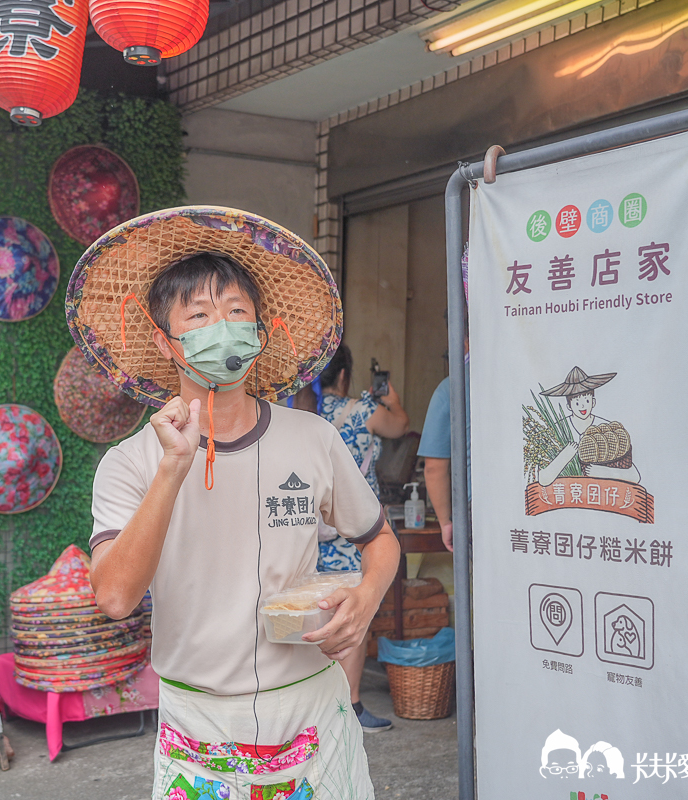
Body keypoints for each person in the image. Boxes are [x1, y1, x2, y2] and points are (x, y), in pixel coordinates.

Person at [75, 208, 400, 800]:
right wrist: (174, 467)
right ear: (163, 340)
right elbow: (116, 596)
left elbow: (379, 539)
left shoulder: (313, 438)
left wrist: (366, 598)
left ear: (262, 331)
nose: (220, 328)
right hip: (198, 725)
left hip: (311, 710)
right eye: (198, 316)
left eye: (235, 313)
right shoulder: (130, 464)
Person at [309, 342, 408, 732]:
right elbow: (400, 426)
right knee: (353, 613)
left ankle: (318, 705)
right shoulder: (365, 411)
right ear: (346, 376)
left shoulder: (305, 416)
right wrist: (392, 400)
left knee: (316, 612)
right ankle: (349, 706)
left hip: (311, 530)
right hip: (355, 531)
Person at [419, 328, 470, 554]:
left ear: (464, 342)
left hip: (476, 510)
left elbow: (434, 468)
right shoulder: (522, 378)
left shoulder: (450, 388)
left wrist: (446, 523)